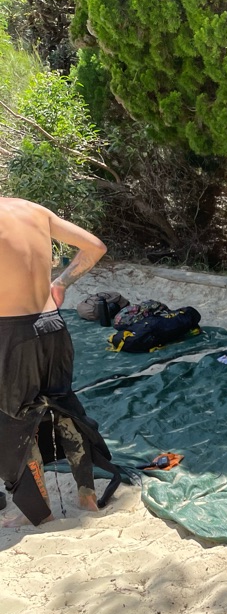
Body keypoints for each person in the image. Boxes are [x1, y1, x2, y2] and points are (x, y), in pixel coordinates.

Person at [0, 197, 118, 526]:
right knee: (64, 407)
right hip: (52, 325)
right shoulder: (34, 210)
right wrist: (60, 283)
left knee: (17, 420)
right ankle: (87, 496)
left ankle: (39, 512)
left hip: (11, 332)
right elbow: (95, 247)